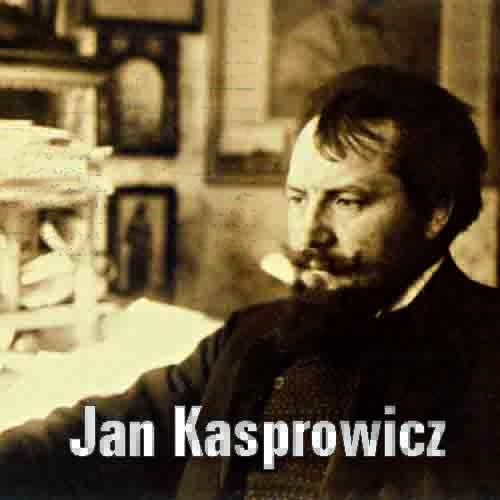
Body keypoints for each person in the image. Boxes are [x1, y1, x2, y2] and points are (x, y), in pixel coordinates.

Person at [1, 65, 499, 500]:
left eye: (347, 202)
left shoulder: (487, 356)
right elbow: (94, 440)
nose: (309, 233)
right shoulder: (252, 338)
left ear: (436, 211)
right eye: (298, 199)